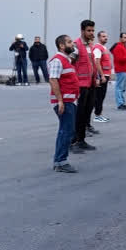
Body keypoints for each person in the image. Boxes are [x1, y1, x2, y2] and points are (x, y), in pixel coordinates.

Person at [47, 34, 80, 172]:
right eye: (69, 42)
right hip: (64, 101)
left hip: (69, 100)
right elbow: (53, 80)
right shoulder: (57, 60)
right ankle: (60, 161)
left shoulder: (67, 60)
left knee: (66, 131)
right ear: (61, 45)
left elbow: (77, 52)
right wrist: (60, 101)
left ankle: (60, 160)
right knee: (66, 131)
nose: (72, 44)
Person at [72, 20, 100, 151]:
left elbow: (91, 64)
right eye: (89, 30)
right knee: (79, 114)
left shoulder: (89, 45)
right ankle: (73, 141)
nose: (91, 33)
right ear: (82, 31)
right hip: (81, 85)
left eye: (93, 30)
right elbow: (70, 64)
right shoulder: (76, 45)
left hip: (91, 84)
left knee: (87, 113)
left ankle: (81, 140)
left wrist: (97, 77)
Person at [92, 31, 112, 123]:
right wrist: (102, 76)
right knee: (99, 96)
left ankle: (99, 114)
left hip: (106, 74)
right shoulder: (97, 48)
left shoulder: (104, 48)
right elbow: (97, 62)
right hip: (102, 75)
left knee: (102, 96)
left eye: (106, 36)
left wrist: (109, 74)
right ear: (99, 38)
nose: (106, 38)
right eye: (103, 36)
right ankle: (97, 115)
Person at [112, 33, 126, 110]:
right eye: (124, 37)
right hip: (121, 70)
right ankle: (120, 104)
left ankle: (122, 103)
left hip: (125, 70)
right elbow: (120, 59)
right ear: (120, 38)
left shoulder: (123, 47)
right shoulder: (119, 47)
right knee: (119, 88)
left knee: (122, 88)